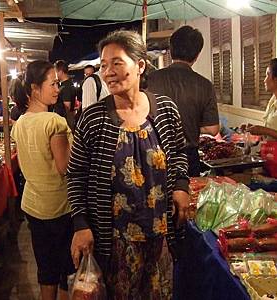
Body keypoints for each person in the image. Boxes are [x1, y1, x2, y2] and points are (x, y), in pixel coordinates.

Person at [67, 30, 190, 299]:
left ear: (140, 65)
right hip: (114, 243)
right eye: (103, 65)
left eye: (117, 63)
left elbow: (181, 151)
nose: (107, 72)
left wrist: (181, 186)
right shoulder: (93, 119)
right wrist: (80, 223)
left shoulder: (166, 109)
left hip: (161, 238)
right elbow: (75, 174)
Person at [10, 60, 74, 300]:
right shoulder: (53, 122)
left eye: (58, 83)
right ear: (35, 89)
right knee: (67, 270)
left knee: (46, 270)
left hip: (33, 205)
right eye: (53, 84)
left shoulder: (21, 123)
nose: (57, 88)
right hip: (58, 206)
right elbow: (64, 166)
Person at [147, 25, 220, 177]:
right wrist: (191, 126)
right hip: (188, 158)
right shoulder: (205, 85)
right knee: (189, 198)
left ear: (171, 49)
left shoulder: (150, 80)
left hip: (152, 155)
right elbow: (213, 129)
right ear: (197, 54)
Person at [243, 58, 277, 140]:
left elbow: (268, 131)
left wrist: (264, 130)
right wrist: (254, 129)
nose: (264, 80)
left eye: (267, 75)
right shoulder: (273, 100)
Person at [54, 60, 78, 130]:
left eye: (56, 72)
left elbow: (67, 106)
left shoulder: (66, 86)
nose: (55, 75)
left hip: (65, 123)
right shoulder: (67, 84)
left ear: (61, 72)